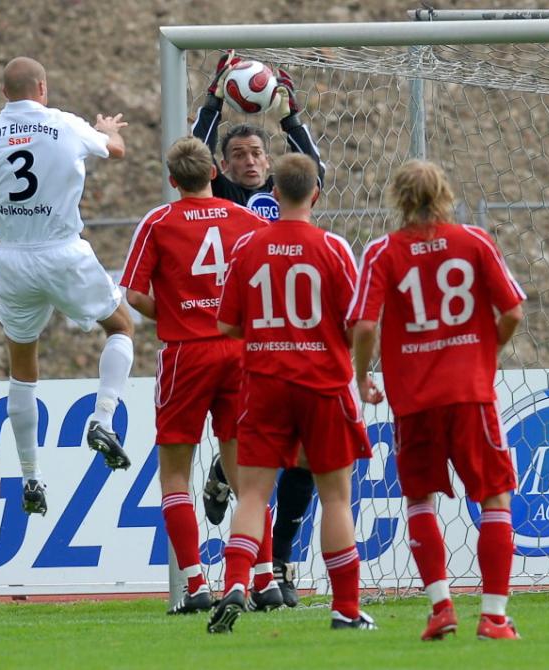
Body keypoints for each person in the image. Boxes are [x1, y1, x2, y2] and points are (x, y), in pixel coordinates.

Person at [349, 159, 525, 641]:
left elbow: (364, 325)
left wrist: (362, 376)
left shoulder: (383, 251)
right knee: (493, 496)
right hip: (470, 393)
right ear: (445, 192)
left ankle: (441, 607)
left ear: (398, 198)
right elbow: (512, 310)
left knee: (419, 497)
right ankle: (493, 616)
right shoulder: (475, 240)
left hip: (414, 400)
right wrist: (486, 349)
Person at [0, 57, 136, 516]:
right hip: (62, 250)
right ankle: (103, 418)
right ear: (42, 87)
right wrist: (108, 127)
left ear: (4, 93)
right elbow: (115, 151)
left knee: (22, 369)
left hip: (12, 257)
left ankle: (32, 478)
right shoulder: (64, 124)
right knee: (119, 327)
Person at [208, 154, 375, 634]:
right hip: (322, 383)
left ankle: (238, 584)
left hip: (264, 383)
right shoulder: (334, 248)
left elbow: (226, 323)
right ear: (316, 194)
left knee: (254, 494)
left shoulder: (247, 247)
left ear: (274, 192)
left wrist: (268, 335)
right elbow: (358, 321)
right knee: (336, 498)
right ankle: (345, 609)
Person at [120, 137, 277, 614]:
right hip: (238, 353)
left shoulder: (158, 222)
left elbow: (132, 293)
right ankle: (264, 578)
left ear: (172, 180)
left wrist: (174, 312)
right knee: (244, 473)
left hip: (186, 353)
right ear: (216, 172)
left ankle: (195, 585)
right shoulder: (248, 221)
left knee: (174, 476)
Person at [192, 51, 325, 606]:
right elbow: (191, 157)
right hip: (240, 338)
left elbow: (317, 171)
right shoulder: (220, 197)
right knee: (263, 451)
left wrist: (291, 119)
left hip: (292, 336)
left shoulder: (286, 196)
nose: (250, 161)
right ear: (223, 165)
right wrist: (212, 103)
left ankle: (285, 562)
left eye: (257, 152)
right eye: (239, 154)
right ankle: (258, 564)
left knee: (306, 461)